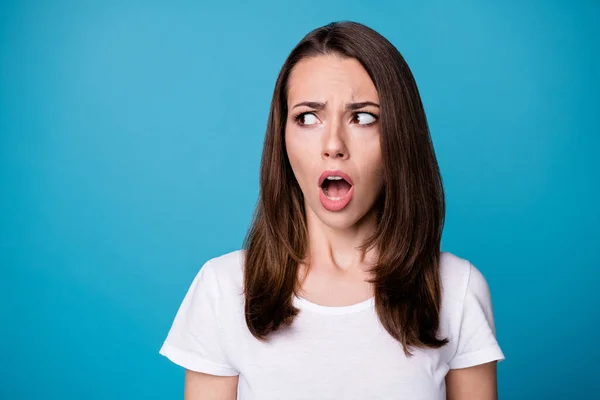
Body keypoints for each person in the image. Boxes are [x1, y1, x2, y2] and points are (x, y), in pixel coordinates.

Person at [159, 20, 505, 399]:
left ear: (400, 138)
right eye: (308, 117)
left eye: (363, 117)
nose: (333, 144)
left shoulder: (455, 288)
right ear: (283, 138)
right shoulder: (223, 289)